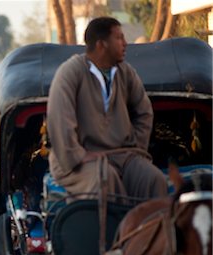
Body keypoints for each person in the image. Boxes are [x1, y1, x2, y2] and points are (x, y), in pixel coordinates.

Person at [47, 17, 167, 201]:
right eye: (119, 38)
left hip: (122, 155)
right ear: (102, 44)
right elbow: (60, 120)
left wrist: (135, 146)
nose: (125, 43)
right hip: (78, 161)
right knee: (104, 181)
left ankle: (154, 230)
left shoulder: (125, 72)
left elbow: (144, 112)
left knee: (153, 180)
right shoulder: (70, 72)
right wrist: (78, 155)